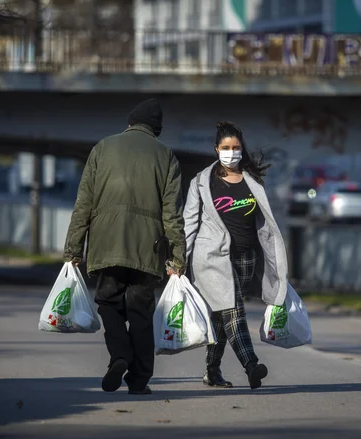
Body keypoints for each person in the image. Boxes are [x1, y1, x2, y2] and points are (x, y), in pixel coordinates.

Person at [64, 98, 186, 395]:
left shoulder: (102, 148)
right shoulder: (166, 156)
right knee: (141, 312)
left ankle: (119, 354)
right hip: (148, 248)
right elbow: (172, 214)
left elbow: (84, 204)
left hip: (106, 243)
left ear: (130, 123)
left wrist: (73, 250)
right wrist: (177, 259)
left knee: (109, 303)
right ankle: (139, 379)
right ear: (155, 130)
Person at [183, 121, 288, 390]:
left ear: (242, 150)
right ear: (216, 149)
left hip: (246, 258)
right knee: (234, 312)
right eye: (226, 148)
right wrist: (179, 260)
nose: (231, 152)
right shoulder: (202, 182)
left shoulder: (253, 181)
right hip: (212, 259)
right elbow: (189, 223)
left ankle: (212, 370)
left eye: (236, 148)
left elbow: (264, 223)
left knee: (221, 317)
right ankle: (251, 365)